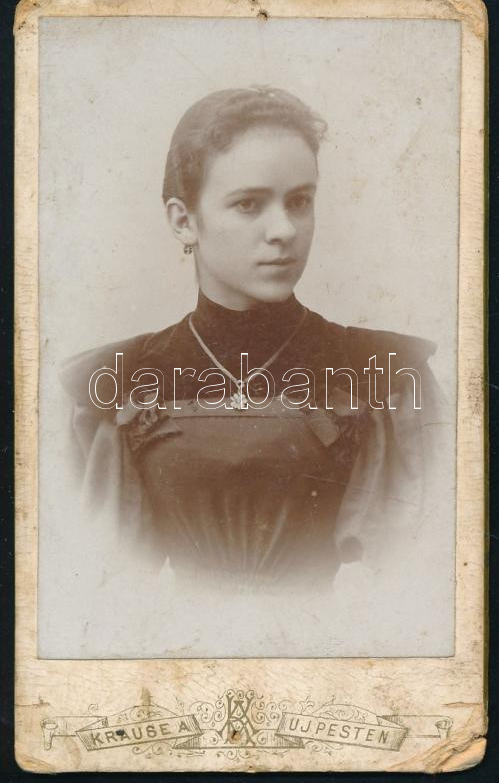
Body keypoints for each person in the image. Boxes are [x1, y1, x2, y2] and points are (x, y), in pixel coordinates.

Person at [60, 86, 441, 597]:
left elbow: (427, 575)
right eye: (248, 204)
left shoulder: (385, 375)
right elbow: (89, 584)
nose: (284, 230)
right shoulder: (115, 383)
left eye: (299, 201)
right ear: (183, 221)